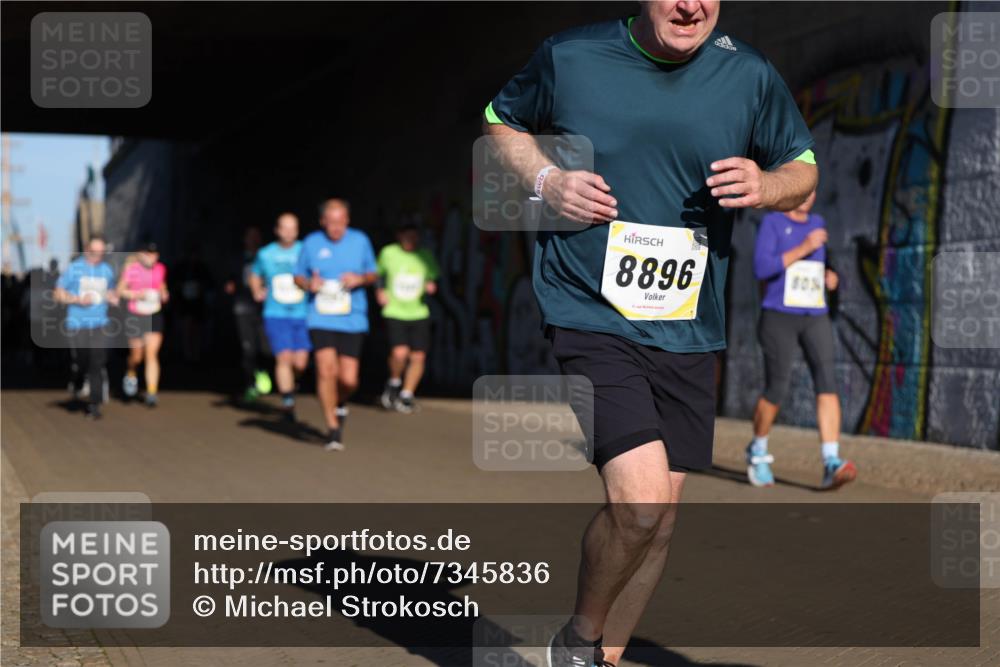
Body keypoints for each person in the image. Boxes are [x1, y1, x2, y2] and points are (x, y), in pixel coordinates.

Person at [483, 2, 817, 665]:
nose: (690, 6)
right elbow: (501, 122)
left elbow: (803, 167)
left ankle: (600, 656)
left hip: (690, 327)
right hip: (590, 309)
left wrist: (767, 182)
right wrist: (548, 179)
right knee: (639, 502)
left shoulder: (747, 74)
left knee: (660, 520)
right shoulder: (571, 57)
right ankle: (576, 642)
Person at [748, 191, 856, 489]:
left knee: (827, 380)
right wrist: (804, 246)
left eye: (812, 191)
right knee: (777, 387)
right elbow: (761, 268)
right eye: (802, 191)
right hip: (779, 316)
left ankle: (831, 461)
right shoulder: (772, 223)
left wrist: (830, 277)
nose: (808, 197)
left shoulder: (819, 222)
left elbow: (822, 265)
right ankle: (757, 450)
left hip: (814, 314)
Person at [294, 199, 377, 451]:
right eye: (331, 223)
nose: (336, 228)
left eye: (341, 222)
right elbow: (298, 276)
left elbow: (373, 274)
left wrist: (360, 278)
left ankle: (339, 402)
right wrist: (310, 285)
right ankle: (332, 428)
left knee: (348, 379)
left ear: (347, 221)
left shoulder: (360, 240)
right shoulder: (311, 243)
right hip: (321, 316)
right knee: (325, 370)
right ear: (323, 222)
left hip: (352, 317)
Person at [249, 213, 311, 421]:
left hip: (302, 313)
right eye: (285, 228)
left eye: (293, 228)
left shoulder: (305, 250)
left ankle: (293, 384)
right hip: (276, 313)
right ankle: (288, 401)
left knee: (300, 362)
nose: (289, 233)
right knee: (284, 357)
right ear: (277, 230)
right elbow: (254, 273)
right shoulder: (266, 253)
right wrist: (256, 290)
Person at [376, 220, 439, 413]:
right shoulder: (389, 253)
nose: (411, 240)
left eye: (414, 237)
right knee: (400, 353)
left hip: (418, 312)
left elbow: (432, 276)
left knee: (418, 356)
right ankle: (394, 382)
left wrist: (431, 285)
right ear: (399, 236)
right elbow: (377, 274)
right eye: (407, 236)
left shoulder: (425, 256)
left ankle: (406, 395)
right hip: (395, 310)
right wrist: (379, 291)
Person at [54, 236, 119, 419]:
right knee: (83, 359)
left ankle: (94, 404)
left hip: (100, 323)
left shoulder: (106, 270)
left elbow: (112, 291)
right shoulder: (74, 269)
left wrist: (113, 297)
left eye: (101, 253)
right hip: (77, 322)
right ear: (86, 250)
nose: (97, 256)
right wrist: (77, 299)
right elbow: (58, 294)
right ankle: (79, 376)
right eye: (93, 252)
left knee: (97, 362)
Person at [118, 241, 169, 407]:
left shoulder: (161, 268)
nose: (151, 257)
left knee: (151, 354)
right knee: (137, 355)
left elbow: (161, 284)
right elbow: (120, 291)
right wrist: (136, 294)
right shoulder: (131, 270)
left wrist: (163, 292)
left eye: (154, 254)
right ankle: (131, 372)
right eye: (148, 253)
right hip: (135, 314)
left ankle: (152, 391)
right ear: (140, 254)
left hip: (154, 313)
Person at [227, 226, 271, 401]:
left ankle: (263, 372)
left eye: (256, 236)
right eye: (249, 236)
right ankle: (250, 384)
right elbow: (231, 279)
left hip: (264, 309)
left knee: (266, 348)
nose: (252, 240)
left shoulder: (266, 257)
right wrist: (231, 286)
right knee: (248, 349)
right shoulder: (237, 258)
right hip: (243, 307)